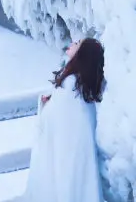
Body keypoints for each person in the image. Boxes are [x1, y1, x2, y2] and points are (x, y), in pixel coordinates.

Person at [24, 37, 105, 202]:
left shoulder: (71, 85)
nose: (74, 43)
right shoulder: (80, 88)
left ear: (83, 54)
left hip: (64, 156)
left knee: (63, 185)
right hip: (73, 156)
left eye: (78, 44)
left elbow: (54, 122)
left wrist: (49, 106)